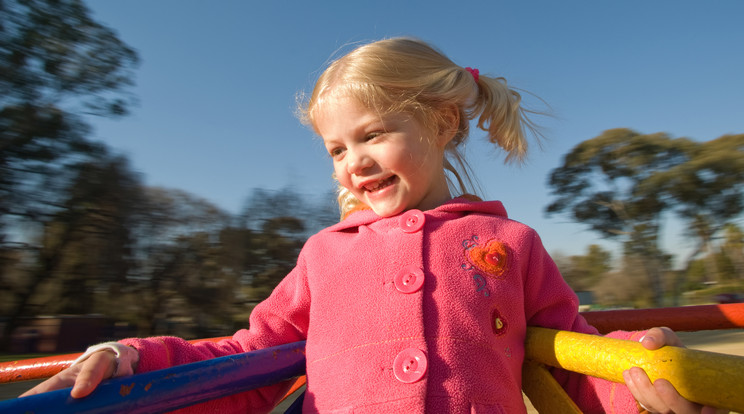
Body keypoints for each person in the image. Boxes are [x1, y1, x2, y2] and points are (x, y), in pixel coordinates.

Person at [22, 37, 722, 414]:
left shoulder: (512, 245)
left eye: (374, 135)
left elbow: (571, 356)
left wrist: (638, 375)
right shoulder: (324, 256)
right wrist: (139, 359)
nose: (353, 163)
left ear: (443, 123)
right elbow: (247, 359)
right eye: (336, 149)